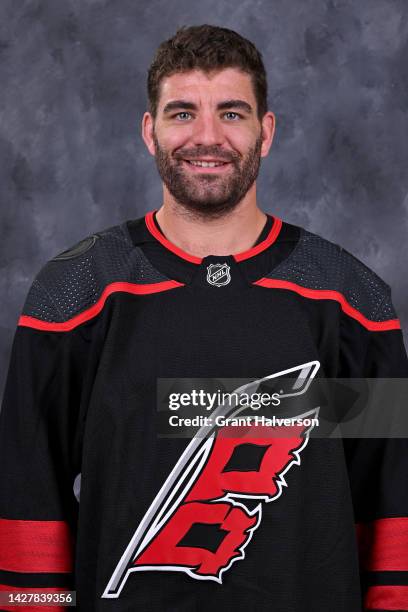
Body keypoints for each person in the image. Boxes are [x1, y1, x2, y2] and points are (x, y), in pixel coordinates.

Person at [0, 24, 407, 612]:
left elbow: (391, 500)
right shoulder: (76, 291)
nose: (208, 136)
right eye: (183, 112)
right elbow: (27, 488)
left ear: (266, 133)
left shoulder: (349, 297)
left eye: (233, 114)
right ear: (150, 131)